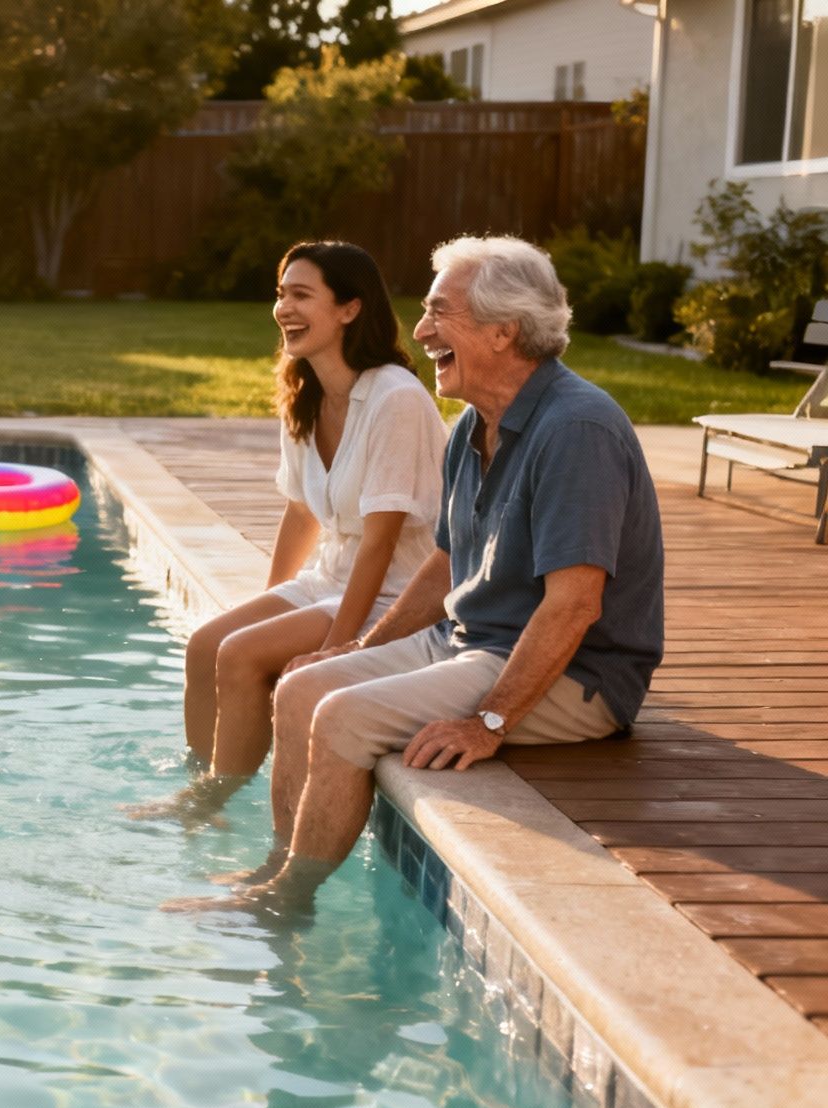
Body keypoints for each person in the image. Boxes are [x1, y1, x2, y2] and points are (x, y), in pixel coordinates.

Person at [176, 235, 664, 918]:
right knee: (301, 686)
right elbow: (445, 560)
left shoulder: (576, 430)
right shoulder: (475, 423)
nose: (423, 330)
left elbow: (575, 606)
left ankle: (286, 901)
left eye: (440, 313)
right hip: (478, 641)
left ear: (503, 332)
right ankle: (274, 868)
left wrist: (489, 722)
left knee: (342, 718)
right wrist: (368, 643)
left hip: (576, 675)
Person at [128, 242, 446, 828]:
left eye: (301, 295)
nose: (283, 308)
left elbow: (381, 542)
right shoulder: (306, 390)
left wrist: (341, 650)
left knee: (242, 656)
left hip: (393, 592)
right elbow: (301, 513)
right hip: (327, 578)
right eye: (281, 295)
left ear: (349, 309)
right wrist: (267, 606)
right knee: (208, 645)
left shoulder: (396, 399)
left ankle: (211, 801)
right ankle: (205, 788)